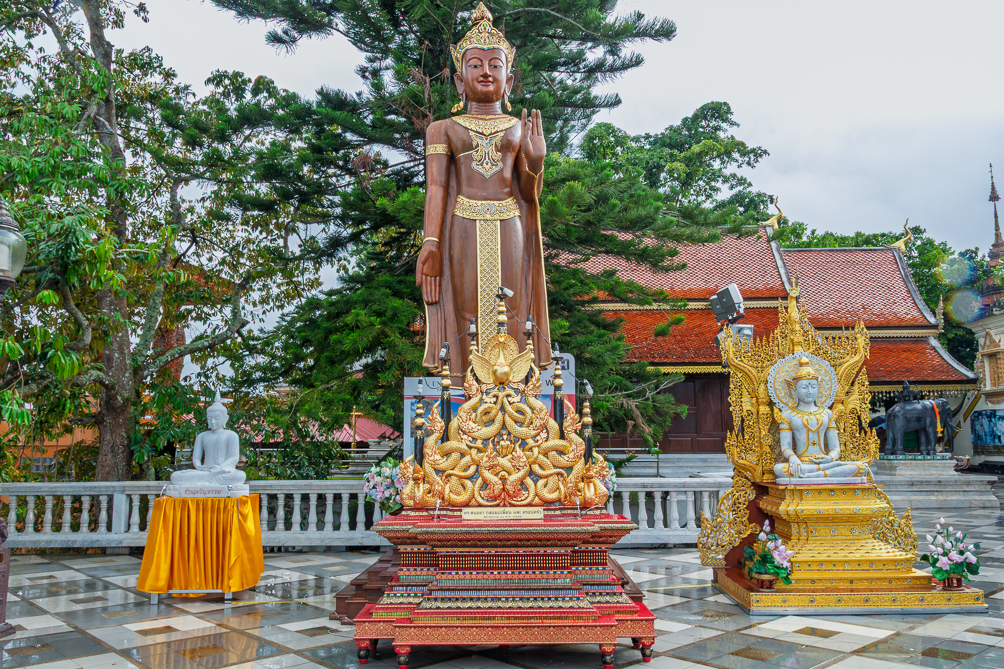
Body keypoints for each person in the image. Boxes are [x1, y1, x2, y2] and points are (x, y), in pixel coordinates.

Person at [415, 3, 551, 376]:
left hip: (509, 223)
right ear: (460, 81)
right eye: (475, 65)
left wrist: (535, 162)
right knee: (465, 310)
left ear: (509, 82)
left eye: (495, 65)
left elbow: (528, 194)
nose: (486, 72)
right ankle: (468, 386)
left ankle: (512, 386)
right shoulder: (443, 130)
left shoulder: (519, 128)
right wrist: (431, 243)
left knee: (511, 306)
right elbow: (437, 187)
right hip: (463, 223)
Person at [773, 358, 870, 481]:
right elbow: (786, 447)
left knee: (861, 467)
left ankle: (818, 473)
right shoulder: (788, 414)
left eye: (813, 387)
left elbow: (835, 448)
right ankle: (826, 471)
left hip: (826, 463)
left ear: (818, 388)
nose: (810, 391)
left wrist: (830, 457)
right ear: (794, 389)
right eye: (804, 387)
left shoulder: (827, 413)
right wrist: (792, 458)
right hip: (802, 463)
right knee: (779, 469)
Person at [170, 392, 246, 486]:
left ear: (225, 419)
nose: (213, 421)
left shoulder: (231, 435)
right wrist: (199, 466)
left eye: (217, 418)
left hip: (222, 471)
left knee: (240, 476)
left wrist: (220, 468)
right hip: (206, 471)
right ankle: (209, 480)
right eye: (210, 418)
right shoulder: (202, 436)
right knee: (175, 476)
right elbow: (196, 458)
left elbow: (234, 458)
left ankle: (206, 481)